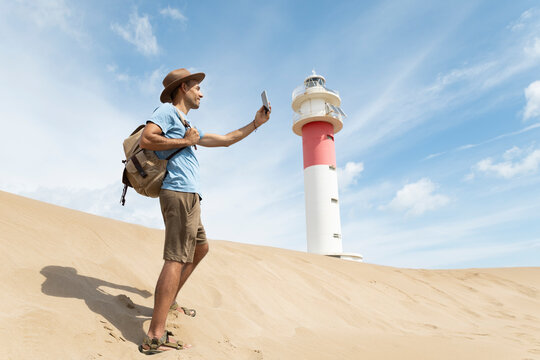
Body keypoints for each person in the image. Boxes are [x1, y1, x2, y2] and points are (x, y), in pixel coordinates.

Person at [137, 68, 271, 354]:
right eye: (197, 87)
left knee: (201, 248)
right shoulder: (166, 112)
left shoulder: (186, 123)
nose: (202, 93)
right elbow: (147, 139)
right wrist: (186, 141)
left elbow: (225, 139)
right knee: (175, 259)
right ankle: (155, 335)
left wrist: (255, 123)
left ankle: (170, 300)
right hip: (178, 193)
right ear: (184, 87)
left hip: (190, 197)